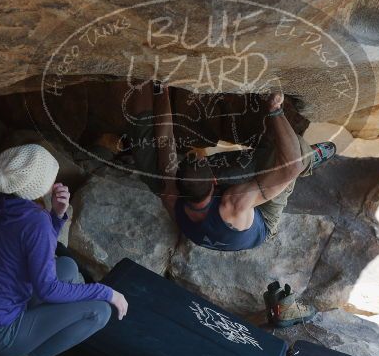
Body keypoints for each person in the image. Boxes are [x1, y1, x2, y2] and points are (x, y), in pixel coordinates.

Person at [0, 143, 128, 356]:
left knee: (68, 268)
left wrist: (57, 215)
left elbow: (32, 245)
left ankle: (27, 347)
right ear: (38, 185)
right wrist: (107, 291)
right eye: (50, 176)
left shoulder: (1, 202)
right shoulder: (35, 221)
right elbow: (48, 289)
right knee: (99, 311)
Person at [125, 82, 335, 252]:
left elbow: (165, 140)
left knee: (149, 164)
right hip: (260, 220)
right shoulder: (235, 202)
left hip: (207, 219)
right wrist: (274, 110)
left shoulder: (170, 195)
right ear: (216, 180)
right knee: (283, 154)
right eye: (203, 162)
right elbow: (291, 168)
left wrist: (161, 87)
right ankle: (311, 158)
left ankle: (140, 81)